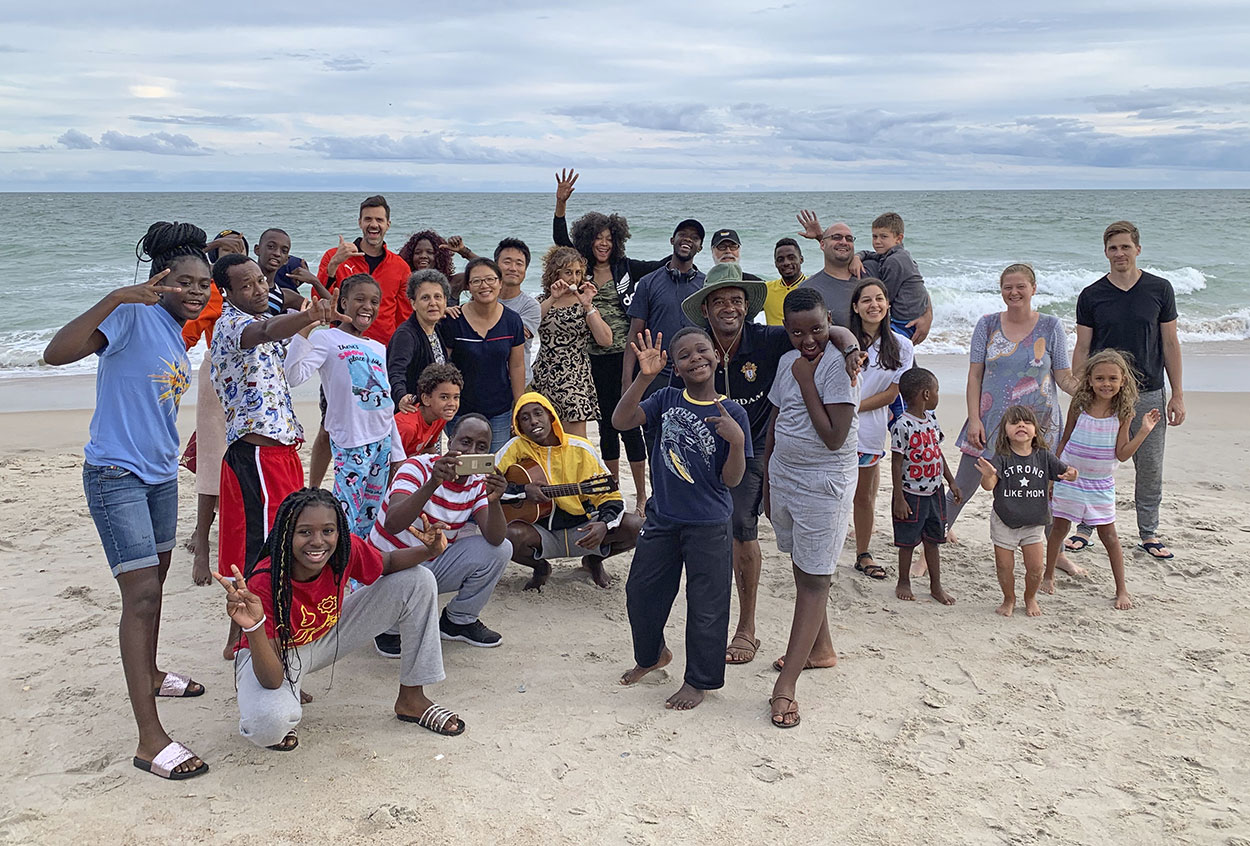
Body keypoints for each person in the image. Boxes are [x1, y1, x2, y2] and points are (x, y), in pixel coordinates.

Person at [44, 221, 213, 780]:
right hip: (116, 474)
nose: (195, 291)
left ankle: (154, 669)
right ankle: (149, 738)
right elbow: (55, 353)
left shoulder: (174, 328)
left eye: (203, 283)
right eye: (184, 281)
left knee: (154, 585)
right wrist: (115, 296)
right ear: (158, 280)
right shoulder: (131, 313)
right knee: (140, 594)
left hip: (162, 476)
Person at [679, 263, 863, 665]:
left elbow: (821, 329)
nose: (729, 308)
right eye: (719, 301)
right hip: (708, 447)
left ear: (748, 307)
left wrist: (850, 346)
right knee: (712, 530)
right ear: (706, 309)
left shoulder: (771, 340)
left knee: (742, 526)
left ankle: (746, 628)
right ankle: (820, 645)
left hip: (758, 447)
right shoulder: (695, 347)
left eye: (736, 300)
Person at [218, 487, 464, 749]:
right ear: (286, 534)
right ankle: (278, 699)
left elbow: (389, 562)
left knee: (419, 580)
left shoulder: (343, 550)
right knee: (268, 725)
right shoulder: (264, 581)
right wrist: (254, 627)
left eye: (327, 530)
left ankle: (412, 699)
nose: (318, 541)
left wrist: (428, 551)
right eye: (304, 532)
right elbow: (272, 678)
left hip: (325, 635)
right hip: (273, 656)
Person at [613, 327, 749, 711]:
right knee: (641, 593)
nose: (696, 358)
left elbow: (731, 480)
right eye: (685, 355)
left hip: (709, 525)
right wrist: (644, 377)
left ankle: (698, 681)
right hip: (662, 518)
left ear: (717, 356)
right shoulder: (666, 398)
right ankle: (653, 655)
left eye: (702, 350)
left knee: (707, 605)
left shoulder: (731, 412)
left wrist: (736, 441)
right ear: (675, 365)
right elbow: (622, 421)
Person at [210, 253, 336, 658]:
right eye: (246, 285)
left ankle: (240, 640)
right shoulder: (232, 325)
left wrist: (311, 315)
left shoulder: (263, 318)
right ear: (227, 293)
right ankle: (252, 646)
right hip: (258, 456)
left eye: (261, 281)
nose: (259, 289)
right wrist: (305, 316)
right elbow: (264, 330)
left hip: (278, 453)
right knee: (266, 549)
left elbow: (286, 348)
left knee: (269, 545)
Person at [764, 286, 859, 728]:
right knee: (803, 566)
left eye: (817, 329)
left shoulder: (839, 366)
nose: (807, 340)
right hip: (785, 476)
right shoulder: (787, 362)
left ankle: (787, 688)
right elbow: (775, 422)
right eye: (797, 331)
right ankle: (820, 649)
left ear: (829, 324)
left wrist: (808, 380)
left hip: (825, 482)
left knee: (816, 578)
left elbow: (834, 436)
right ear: (785, 327)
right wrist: (766, 478)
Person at [1065, 221, 1184, 562]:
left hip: (1149, 391)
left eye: (1125, 247)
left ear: (1137, 249)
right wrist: (1078, 388)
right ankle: (1085, 528)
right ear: (1106, 253)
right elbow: (1083, 345)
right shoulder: (1092, 294)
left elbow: (1170, 342)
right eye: (1113, 248)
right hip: (1101, 394)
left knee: (1149, 466)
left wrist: (1177, 394)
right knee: (1093, 461)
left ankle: (1148, 532)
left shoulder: (1160, 289)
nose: (1119, 253)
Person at [553, 168, 668, 514]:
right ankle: (612, 488)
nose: (603, 243)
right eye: (597, 238)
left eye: (608, 238)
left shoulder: (628, 267)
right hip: (591, 357)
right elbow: (560, 241)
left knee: (629, 422)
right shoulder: (580, 268)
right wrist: (560, 205)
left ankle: (643, 496)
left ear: (616, 240)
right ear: (587, 240)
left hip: (627, 356)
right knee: (605, 425)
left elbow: (665, 265)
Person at [945, 264, 1077, 544]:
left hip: (1039, 425)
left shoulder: (1051, 326)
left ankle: (1057, 556)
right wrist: (974, 419)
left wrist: (1091, 392)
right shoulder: (987, 324)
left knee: (1045, 493)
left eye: (1020, 286)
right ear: (1001, 290)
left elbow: (1063, 377)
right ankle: (931, 544)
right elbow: (975, 375)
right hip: (989, 421)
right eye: (1008, 287)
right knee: (962, 488)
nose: (1014, 292)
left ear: (1033, 289)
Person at [370, 414, 513, 651]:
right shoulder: (417, 466)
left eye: (481, 447)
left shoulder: (478, 482)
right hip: (388, 567)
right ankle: (388, 629)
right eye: (465, 442)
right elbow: (393, 523)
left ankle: (459, 621)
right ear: (450, 442)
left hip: (428, 564)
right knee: (415, 578)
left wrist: (495, 501)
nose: (471, 452)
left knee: (501, 549)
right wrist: (433, 483)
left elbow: (495, 538)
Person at [285, 273, 407, 538]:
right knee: (346, 512)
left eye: (374, 301)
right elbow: (293, 376)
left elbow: (385, 405)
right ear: (342, 303)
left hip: (381, 443)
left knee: (371, 514)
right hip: (350, 441)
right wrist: (307, 327)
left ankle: (359, 573)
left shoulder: (378, 347)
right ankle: (342, 570)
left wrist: (397, 454)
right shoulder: (326, 339)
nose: (368, 306)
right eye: (360, 299)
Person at [1044, 350, 1161, 610]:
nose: (1105, 384)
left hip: (1100, 484)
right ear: (1090, 381)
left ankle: (1121, 589)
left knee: (1110, 536)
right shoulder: (1079, 404)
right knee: (1059, 529)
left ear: (1122, 382)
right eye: (1099, 378)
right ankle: (1048, 575)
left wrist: (1143, 431)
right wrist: (1054, 474)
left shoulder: (1124, 412)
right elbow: (1064, 439)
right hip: (1070, 477)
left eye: (1112, 378)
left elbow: (1121, 454)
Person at [310, 196, 412, 487]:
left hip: (379, 358)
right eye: (368, 219)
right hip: (340, 356)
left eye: (379, 220)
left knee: (380, 425)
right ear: (359, 222)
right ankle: (313, 488)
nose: (373, 225)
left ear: (388, 225)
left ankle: (377, 487)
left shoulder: (400, 267)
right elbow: (318, 303)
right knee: (329, 425)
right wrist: (332, 269)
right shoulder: (336, 256)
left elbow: (403, 319)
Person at [497, 392, 642, 590]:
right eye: (525, 418)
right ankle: (540, 568)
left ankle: (593, 560)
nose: (533, 421)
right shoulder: (515, 447)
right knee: (507, 536)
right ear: (519, 426)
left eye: (538, 413)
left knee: (636, 526)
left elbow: (611, 495)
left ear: (551, 415)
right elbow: (487, 482)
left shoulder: (580, 448)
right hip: (539, 531)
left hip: (582, 529)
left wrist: (604, 524)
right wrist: (523, 491)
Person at [181, 230, 259, 585]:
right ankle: (202, 545)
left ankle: (241, 538)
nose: (234, 250)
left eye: (240, 245)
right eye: (226, 247)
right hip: (218, 379)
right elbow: (185, 335)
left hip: (256, 385)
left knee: (248, 465)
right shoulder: (213, 294)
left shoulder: (267, 290)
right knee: (213, 461)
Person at [975, 406, 1077, 618]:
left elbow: (1067, 472)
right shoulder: (1001, 457)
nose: (1021, 425)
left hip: (1034, 522)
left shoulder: (1043, 456)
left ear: (1035, 431)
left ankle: (1030, 597)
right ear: (1005, 431)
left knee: (1036, 568)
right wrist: (987, 475)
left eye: (1027, 422)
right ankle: (1009, 598)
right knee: (1004, 566)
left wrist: (1072, 473)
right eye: (1014, 422)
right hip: (1005, 520)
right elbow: (989, 485)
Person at [848, 279, 914, 580]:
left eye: (879, 299)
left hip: (869, 431)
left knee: (864, 496)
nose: (873, 305)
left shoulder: (902, 346)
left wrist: (850, 407)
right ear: (855, 307)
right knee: (833, 495)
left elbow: (892, 394)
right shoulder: (842, 341)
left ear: (888, 304)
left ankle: (862, 552)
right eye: (866, 300)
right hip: (832, 430)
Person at [621, 219, 707, 417]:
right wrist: (627, 383)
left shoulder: (706, 285)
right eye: (682, 234)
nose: (688, 239)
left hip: (695, 373)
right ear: (672, 240)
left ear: (700, 248)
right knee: (655, 437)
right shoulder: (647, 283)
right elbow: (634, 334)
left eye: (694, 238)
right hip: (655, 374)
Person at [891, 368, 962, 605]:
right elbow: (896, 463)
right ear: (926, 394)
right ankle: (903, 581)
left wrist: (951, 481)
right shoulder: (902, 425)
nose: (938, 395)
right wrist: (898, 498)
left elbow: (936, 453)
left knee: (933, 541)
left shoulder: (931, 419)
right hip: (911, 495)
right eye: (937, 391)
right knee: (908, 542)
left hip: (935, 492)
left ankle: (935, 586)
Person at [443, 257, 527, 451]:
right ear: (469, 287)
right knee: (461, 467)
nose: (484, 286)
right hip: (459, 408)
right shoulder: (454, 320)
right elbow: (442, 365)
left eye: (490, 279)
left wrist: (519, 405)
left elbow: (516, 366)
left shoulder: (512, 320)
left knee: (493, 467)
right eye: (477, 281)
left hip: (499, 409)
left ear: (499, 283)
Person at [530, 245, 613, 438]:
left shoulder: (585, 302)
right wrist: (552, 298)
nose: (573, 278)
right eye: (568, 272)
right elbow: (529, 328)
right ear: (555, 273)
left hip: (574, 377)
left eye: (578, 273)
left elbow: (605, 340)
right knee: (546, 437)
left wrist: (588, 306)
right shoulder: (543, 299)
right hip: (544, 374)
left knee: (575, 441)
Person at [388, 270, 454, 454]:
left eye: (438, 297)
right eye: (425, 298)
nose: (433, 303)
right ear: (413, 303)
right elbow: (395, 370)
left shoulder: (435, 329)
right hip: (410, 420)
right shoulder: (406, 335)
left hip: (431, 420)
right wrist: (401, 395)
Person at [855, 212, 934, 344]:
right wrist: (857, 257)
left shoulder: (895, 261)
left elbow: (887, 296)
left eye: (883, 237)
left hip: (906, 323)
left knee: (883, 347)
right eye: (874, 237)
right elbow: (869, 254)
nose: (877, 241)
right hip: (906, 318)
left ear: (899, 238)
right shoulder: (894, 254)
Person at [793, 214, 873, 328]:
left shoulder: (869, 271)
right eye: (836, 237)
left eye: (849, 239)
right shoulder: (809, 290)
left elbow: (898, 260)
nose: (844, 242)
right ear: (822, 244)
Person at [494, 238, 542, 385]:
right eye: (507, 262)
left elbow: (515, 336)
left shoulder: (530, 306)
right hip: (485, 383)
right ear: (495, 265)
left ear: (525, 270)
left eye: (519, 263)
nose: (513, 268)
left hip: (518, 382)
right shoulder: (481, 299)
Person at [394, 363, 462, 458]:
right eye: (444, 397)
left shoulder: (440, 416)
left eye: (456, 397)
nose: (452, 403)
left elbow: (429, 449)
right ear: (426, 399)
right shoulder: (408, 427)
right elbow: (392, 463)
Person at [256, 227, 331, 300]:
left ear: (286, 260)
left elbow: (333, 308)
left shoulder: (284, 296)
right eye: (271, 247)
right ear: (257, 250)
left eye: (284, 251)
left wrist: (314, 281)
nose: (277, 253)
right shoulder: (246, 286)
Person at [762, 238, 806, 326]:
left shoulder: (813, 286)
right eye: (780, 259)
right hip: (773, 339)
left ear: (801, 259)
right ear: (775, 264)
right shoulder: (765, 289)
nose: (786, 263)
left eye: (791, 258)